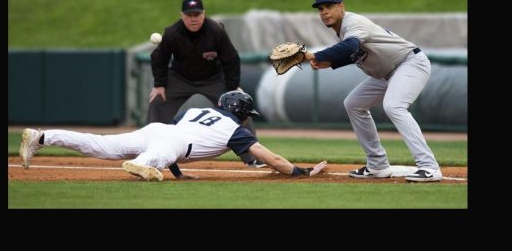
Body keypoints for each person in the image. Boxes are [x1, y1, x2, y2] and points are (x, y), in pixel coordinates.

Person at [19, 91, 326, 181]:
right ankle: (144, 165)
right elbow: (271, 159)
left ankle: (42, 137)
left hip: (161, 131)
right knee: (159, 156)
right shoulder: (236, 131)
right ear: (241, 112)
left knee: (99, 144)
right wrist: (301, 172)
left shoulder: (195, 110)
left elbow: (174, 137)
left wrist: (179, 174)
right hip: (172, 143)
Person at [305, 0, 442, 182]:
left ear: (341, 6)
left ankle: (429, 166)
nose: (324, 12)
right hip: (387, 74)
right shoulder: (342, 29)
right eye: (320, 8)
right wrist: (332, 62)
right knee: (353, 104)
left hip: (409, 64)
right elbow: (359, 52)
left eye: (329, 6)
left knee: (394, 106)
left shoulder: (353, 22)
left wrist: (316, 55)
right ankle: (377, 165)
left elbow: (351, 46)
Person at [149, 0, 264, 167]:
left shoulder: (216, 30)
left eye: (197, 14)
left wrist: (233, 87)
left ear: (204, 14)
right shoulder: (172, 33)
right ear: (182, 15)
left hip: (213, 78)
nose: (193, 19)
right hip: (180, 78)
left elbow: (231, 58)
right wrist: (159, 85)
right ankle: (151, 154)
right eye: (189, 15)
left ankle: (253, 158)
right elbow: (159, 57)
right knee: (157, 102)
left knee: (241, 106)